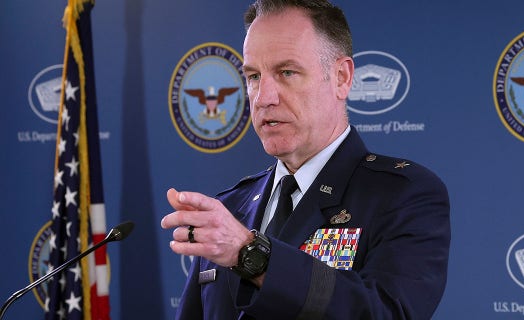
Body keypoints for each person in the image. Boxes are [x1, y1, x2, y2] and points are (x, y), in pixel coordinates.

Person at [160, 0, 450, 318]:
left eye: (287, 72)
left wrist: (251, 254)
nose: (263, 98)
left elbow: (385, 313)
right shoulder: (229, 209)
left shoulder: (402, 195)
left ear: (341, 77)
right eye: (254, 76)